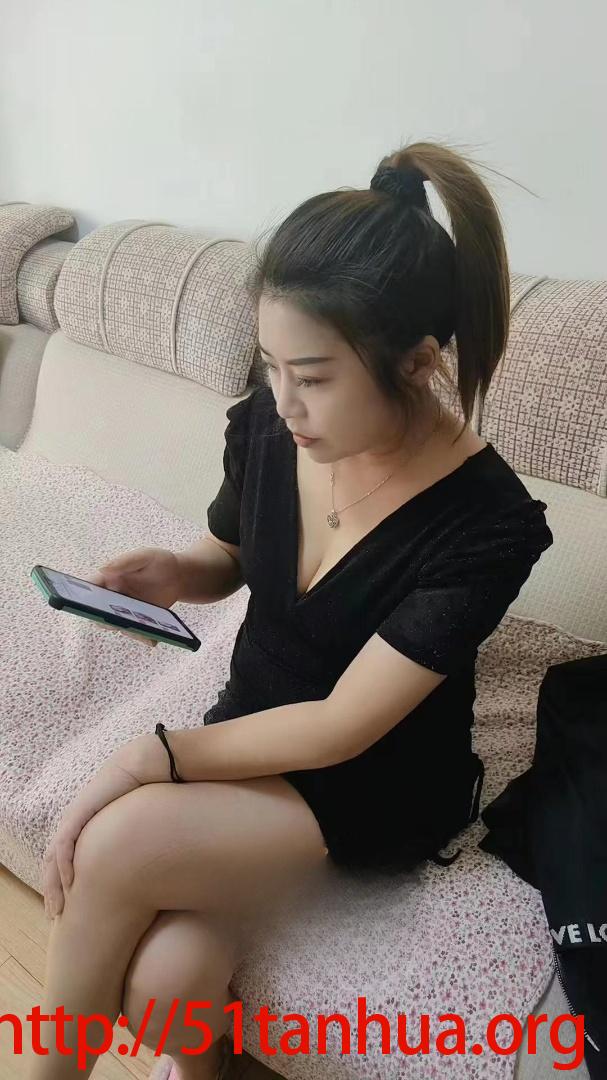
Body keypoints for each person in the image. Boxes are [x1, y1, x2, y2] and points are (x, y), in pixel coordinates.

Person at [35, 140, 554, 1080]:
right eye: (270, 364)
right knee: (167, 982)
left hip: (369, 779)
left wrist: (150, 755)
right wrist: (180, 571)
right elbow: (233, 556)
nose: (283, 401)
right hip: (253, 725)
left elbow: (344, 726)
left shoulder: (486, 525)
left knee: (115, 844)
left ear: (417, 362)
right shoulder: (272, 428)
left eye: (312, 376)